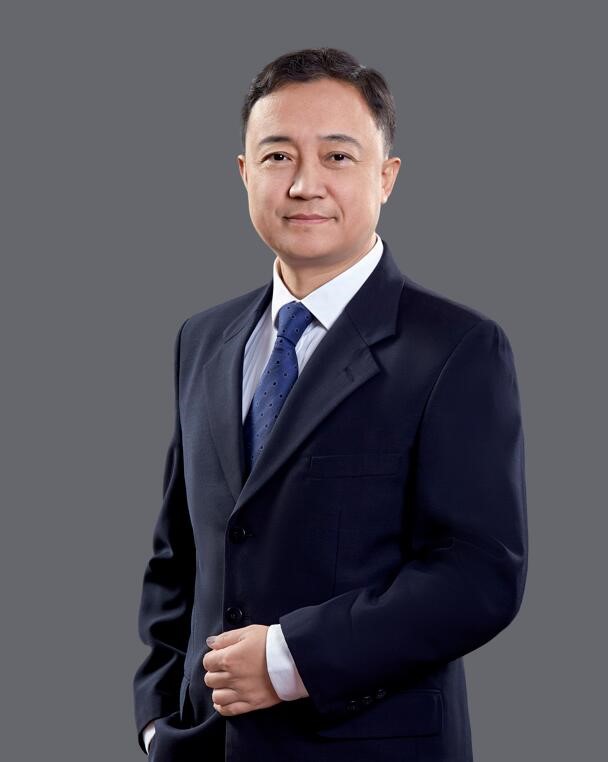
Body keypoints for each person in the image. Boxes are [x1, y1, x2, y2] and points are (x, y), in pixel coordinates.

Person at [133, 47, 528, 762]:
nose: (304, 184)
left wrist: (287, 659)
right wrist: (157, 718)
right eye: (278, 156)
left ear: (387, 176)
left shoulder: (457, 348)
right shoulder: (204, 338)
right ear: (245, 172)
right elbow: (180, 552)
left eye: (338, 157)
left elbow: (479, 576)